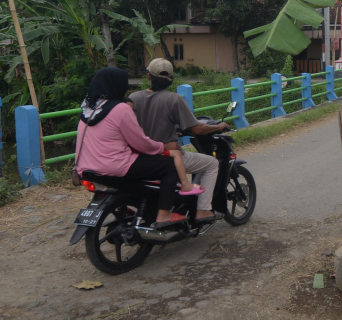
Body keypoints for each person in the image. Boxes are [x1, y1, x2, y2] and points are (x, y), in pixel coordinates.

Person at [75, 67, 183, 229]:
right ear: (116, 86)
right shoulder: (120, 109)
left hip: (86, 167)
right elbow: (141, 143)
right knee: (169, 166)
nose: (126, 89)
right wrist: (163, 146)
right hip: (115, 166)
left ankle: (131, 206)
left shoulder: (88, 108)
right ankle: (164, 214)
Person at [128, 59, 229, 224]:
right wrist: (218, 127)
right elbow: (197, 129)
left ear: (148, 77)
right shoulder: (174, 99)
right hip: (168, 155)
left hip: (143, 156)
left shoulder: (133, 97)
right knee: (212, 163)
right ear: (172, 79)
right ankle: (203, 210)